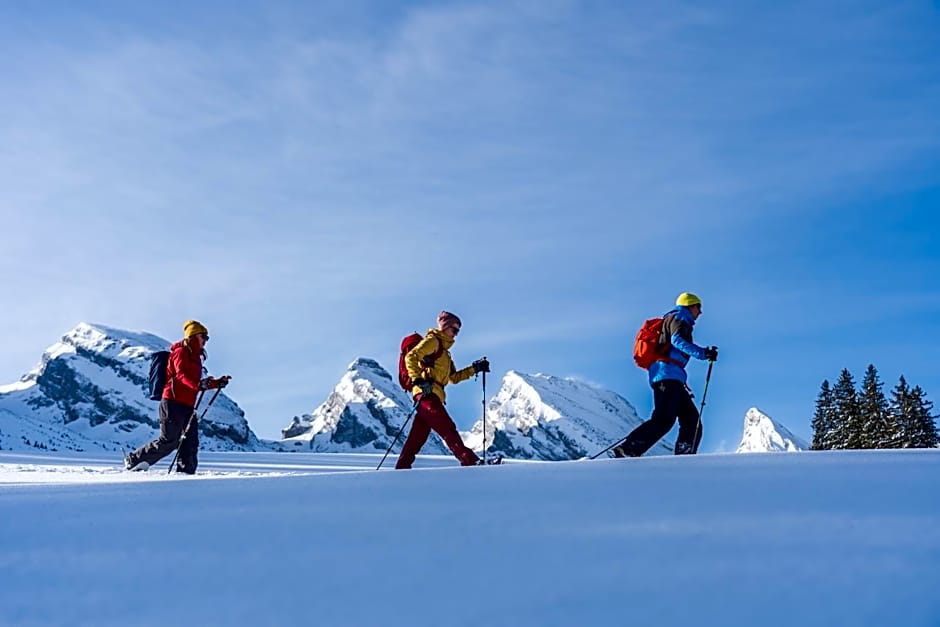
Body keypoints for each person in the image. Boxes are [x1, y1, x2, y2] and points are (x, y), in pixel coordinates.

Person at [614, 293, 717, 457]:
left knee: (691, 420)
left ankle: (684, 455)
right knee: (665, 419)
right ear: (690, 305)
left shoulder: (676, 320)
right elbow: (678, 341)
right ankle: (629, 448)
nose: (700, 312)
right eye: (698, 307)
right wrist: (703, 353)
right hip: (667, 376)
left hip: (670, 376)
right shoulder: (679, 318)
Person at [125, 320, 231, 473]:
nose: (206, 341)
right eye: (204, 337)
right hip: (172, 403)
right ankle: (134, 459)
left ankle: (186, 473)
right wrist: (198, 385)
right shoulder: (180, 352)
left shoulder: (196, 358)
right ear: (194, 336)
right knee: (169, 441)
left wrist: (216, 383)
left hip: (188, 406)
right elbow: (181, 375)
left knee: (190, 442)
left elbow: (197, 382)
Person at [395, 311, 490, 469]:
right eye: (454, 329)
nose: (456, 334)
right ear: (445, 327)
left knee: (417, 437)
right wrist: (417, 379)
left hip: (434, 394)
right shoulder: (433, 341)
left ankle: (401, 467)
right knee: (447, 427)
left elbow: (454, 377)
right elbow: (410, 357)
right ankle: (469, 460)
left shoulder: (445, 354)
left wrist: (475, 369)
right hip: (426, 393)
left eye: (458, 331)